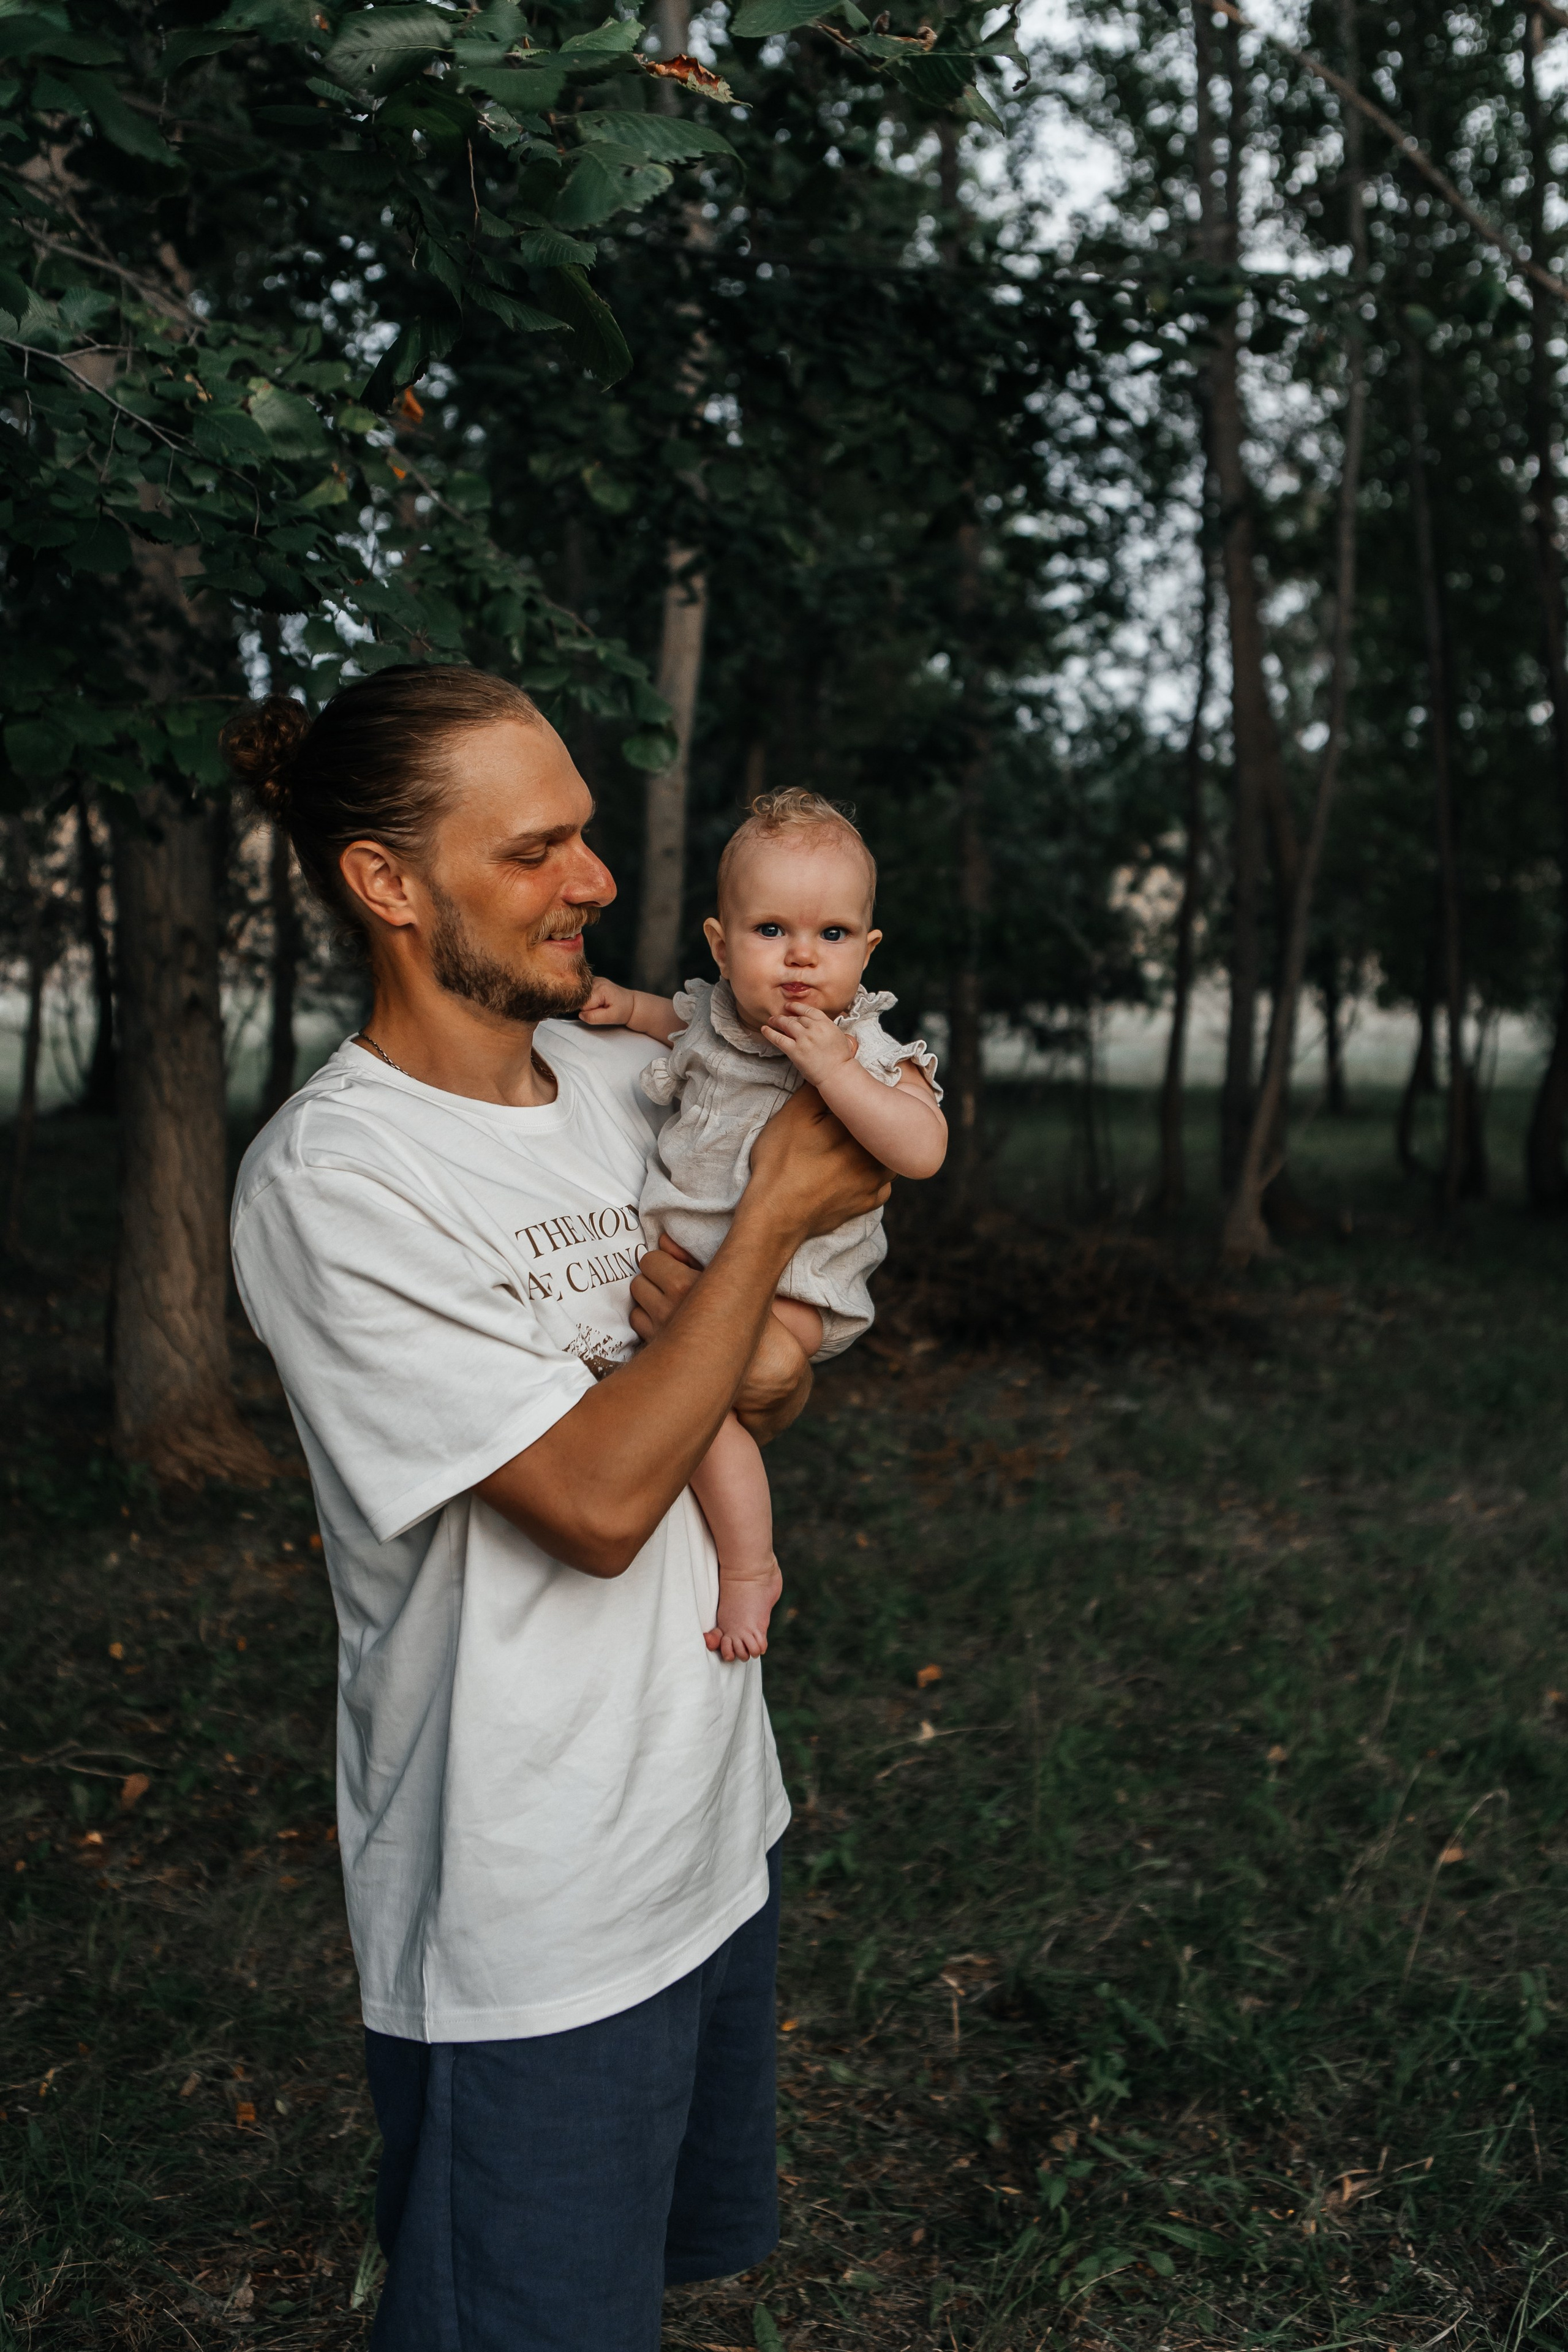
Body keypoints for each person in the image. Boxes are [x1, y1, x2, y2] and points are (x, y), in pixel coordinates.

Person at [221, 666, 890, 2352]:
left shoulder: (616, 1092)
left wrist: (745, 1324)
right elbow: (597, 1504)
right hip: (528, 1907)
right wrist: (766, 1236)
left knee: (630, 2297)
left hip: (705, 1823)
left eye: (589, 837)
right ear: (389, 885)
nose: (596, 881)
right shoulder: (339, 1178)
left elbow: (772, 1388)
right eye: (539, 850)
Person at [580, 788, 946, 1662]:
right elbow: (677, 1020)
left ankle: (749, 1567)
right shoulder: (716, 1017)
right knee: (691, 1404)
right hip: (697, 1278)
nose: (800, 960)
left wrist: (839, 1076)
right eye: (770, 931)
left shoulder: (864, 1048)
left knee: (696, 1403)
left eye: (831, 936)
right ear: (720, 942)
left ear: (867, 947)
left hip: (793, 1291)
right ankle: (740, 1554)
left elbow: (922, 1147)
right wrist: (627, 1008)